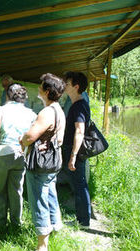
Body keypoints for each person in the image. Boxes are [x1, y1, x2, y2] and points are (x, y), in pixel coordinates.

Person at [20, 73, 66, 251]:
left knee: (38, 200)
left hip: (41, 164)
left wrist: (22, 140)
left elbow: (31, 136)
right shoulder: (58, 110)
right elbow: (58, 139)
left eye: (40, 86)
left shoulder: (47, 112)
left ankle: (42, 245)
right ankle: (55, 228)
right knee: (50, 195)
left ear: (47, 91)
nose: (38, 89)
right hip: (53, 161)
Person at [0, 83, 37, 228]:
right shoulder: (31, 114)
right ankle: (16, 223)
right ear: (24, 97)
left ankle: (0, 223)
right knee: (17, 190)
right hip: (21, 155)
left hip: (1, 155)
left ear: (9, 95)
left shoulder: (0, 110)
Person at [63, 71, 91, 228]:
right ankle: (82, 219)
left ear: (76, 86)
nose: (65, 86)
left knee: (79, 185)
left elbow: (79, 131)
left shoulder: (79, 106)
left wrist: (73, 156)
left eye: (68, 84)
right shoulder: (77, 104)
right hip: (75, 150)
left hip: (76, 151)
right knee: (79, 184)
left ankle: (83, 222)